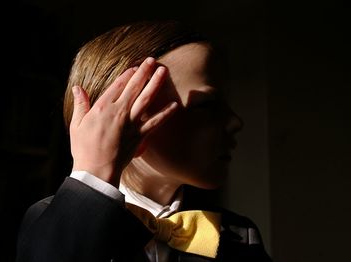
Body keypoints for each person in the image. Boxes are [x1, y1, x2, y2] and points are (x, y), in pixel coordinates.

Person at [16, 20, 272, 262]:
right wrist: (92, 173)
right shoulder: (51, 220)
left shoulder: (238, 235)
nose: (235, 121)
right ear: (126, 117)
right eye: (206, 105)